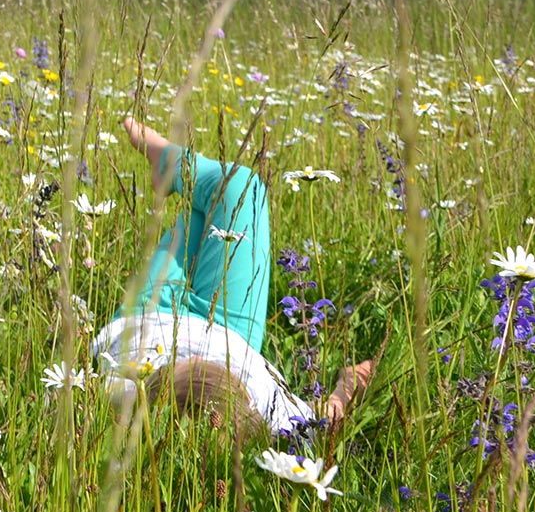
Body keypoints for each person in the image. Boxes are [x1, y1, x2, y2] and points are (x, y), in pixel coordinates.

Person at [89, 115, 377, 441]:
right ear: (249, 400)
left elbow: (65, 392)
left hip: (145, 315)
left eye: (184, 362)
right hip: (229, 331)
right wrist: (349, 383)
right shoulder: (274, 415)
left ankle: (170, 165)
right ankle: (170, 163)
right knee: (241, 186)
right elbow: (330, 415)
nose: (193, 353)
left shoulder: (119, 395)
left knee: (198, 218)